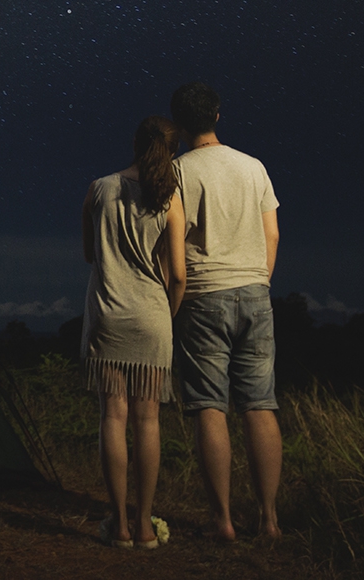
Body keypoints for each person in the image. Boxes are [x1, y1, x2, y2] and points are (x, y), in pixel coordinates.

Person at [168, 81, 282, 540]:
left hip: (202, 296)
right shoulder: (253, 167)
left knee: (210, 408)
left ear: (178, 125)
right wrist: (259, 280)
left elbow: (172, 242)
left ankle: (223, 520)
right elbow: (272, 235)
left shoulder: (176, 172)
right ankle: (269, 518)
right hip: (255, 291)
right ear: (217, 115)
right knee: (260, 404)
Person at [80, 115, 186, 548]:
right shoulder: (169, 198)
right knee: (148, 421)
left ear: (135, 143)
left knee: (113, 416)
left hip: (107, 316)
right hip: (151, 317)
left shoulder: (99, 189)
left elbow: (90, 254)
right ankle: (145, 526)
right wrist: (167, 315)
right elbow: (177, 275)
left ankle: (119, 525)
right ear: (171, 150)